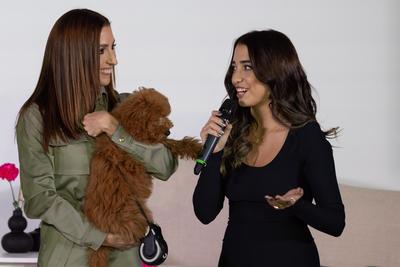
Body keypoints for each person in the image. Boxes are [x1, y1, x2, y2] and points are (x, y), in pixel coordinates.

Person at [15, 9, 177, 267]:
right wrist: (102, 237)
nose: (113, 60)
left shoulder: (123, 107)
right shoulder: (37, 118)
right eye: (102, 50)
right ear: (74, 54)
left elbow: (165, 166)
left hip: (126, 258)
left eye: (113, 48)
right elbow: (39, 200)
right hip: (68, 258)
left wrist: (117, 130)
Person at [193, 30, 345, 267]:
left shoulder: (306, 137)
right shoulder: (232, 134)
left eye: (247, 67)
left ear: (274, 72)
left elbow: (336, 222)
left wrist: (296, 206)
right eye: (234, 67)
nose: (235, 78)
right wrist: (215, 152)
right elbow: (204, 213)